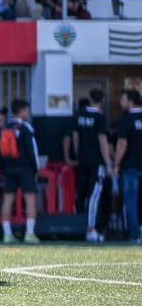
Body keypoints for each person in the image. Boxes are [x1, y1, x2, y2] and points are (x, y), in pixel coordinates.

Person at [64, 90, 112, 242]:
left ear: (90, 98)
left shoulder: (80, 115)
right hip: (97, 162)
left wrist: (79, 155)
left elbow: (75, 137)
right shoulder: (100, 117)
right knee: (94, 196)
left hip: (83, 161)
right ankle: (90, 230)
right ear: (102, 100)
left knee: (81, 194)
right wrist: (108, 163)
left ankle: (79, 227)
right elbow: (102, 141)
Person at [0, 99, 41, 244]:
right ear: (23, 110)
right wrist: (36, 169)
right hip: (25, 169)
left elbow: (0, 153)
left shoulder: (5, 127)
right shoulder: (25, 128)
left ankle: (7, 234)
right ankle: (29, 233)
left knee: (7, 200)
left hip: (9, 169)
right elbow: (32, 151)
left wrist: (4, 169)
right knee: (30, 200)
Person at [113, 90, 142, 243]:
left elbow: (122, 145)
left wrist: (116, 164)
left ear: (131, 101)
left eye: (122, 99)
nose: (120, 102)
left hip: (130, 167)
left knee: (130, 201)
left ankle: (135, 235)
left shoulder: (126, 120)